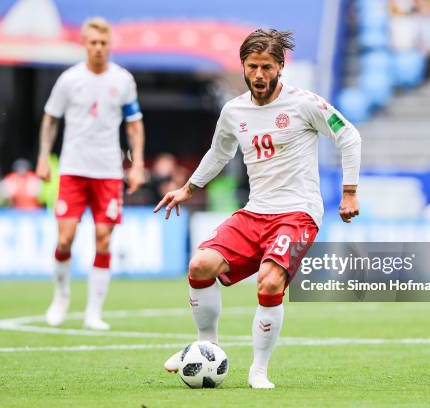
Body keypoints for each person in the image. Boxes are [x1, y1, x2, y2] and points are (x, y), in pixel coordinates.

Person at [154, 29, 362, 388]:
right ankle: (207, 347)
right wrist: (188, 188)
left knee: (268, 281)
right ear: (244, 67)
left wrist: (350, 192)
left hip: (298, 213)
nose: (259, 75)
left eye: (267, 66)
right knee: (200, 265)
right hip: (255, 212)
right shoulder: (234, 111)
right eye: (253, 67)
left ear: (281, 66)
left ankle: (259, 369)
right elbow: (219, 153)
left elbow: (349, 135)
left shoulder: (304, 104)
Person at [35, 17, 146, 330]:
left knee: (103, 239)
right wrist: (43, 157)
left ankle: (93, 312)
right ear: (84, 44)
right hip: (72, 169)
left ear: (109, 45)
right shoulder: (69, 80)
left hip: (108, 171)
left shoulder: (123, 80)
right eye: (93, 43)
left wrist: (137, 164)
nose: (98, 48)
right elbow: (50, 119)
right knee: (65, 238)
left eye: (103, 43)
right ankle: (61, 297)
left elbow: (134, 124)